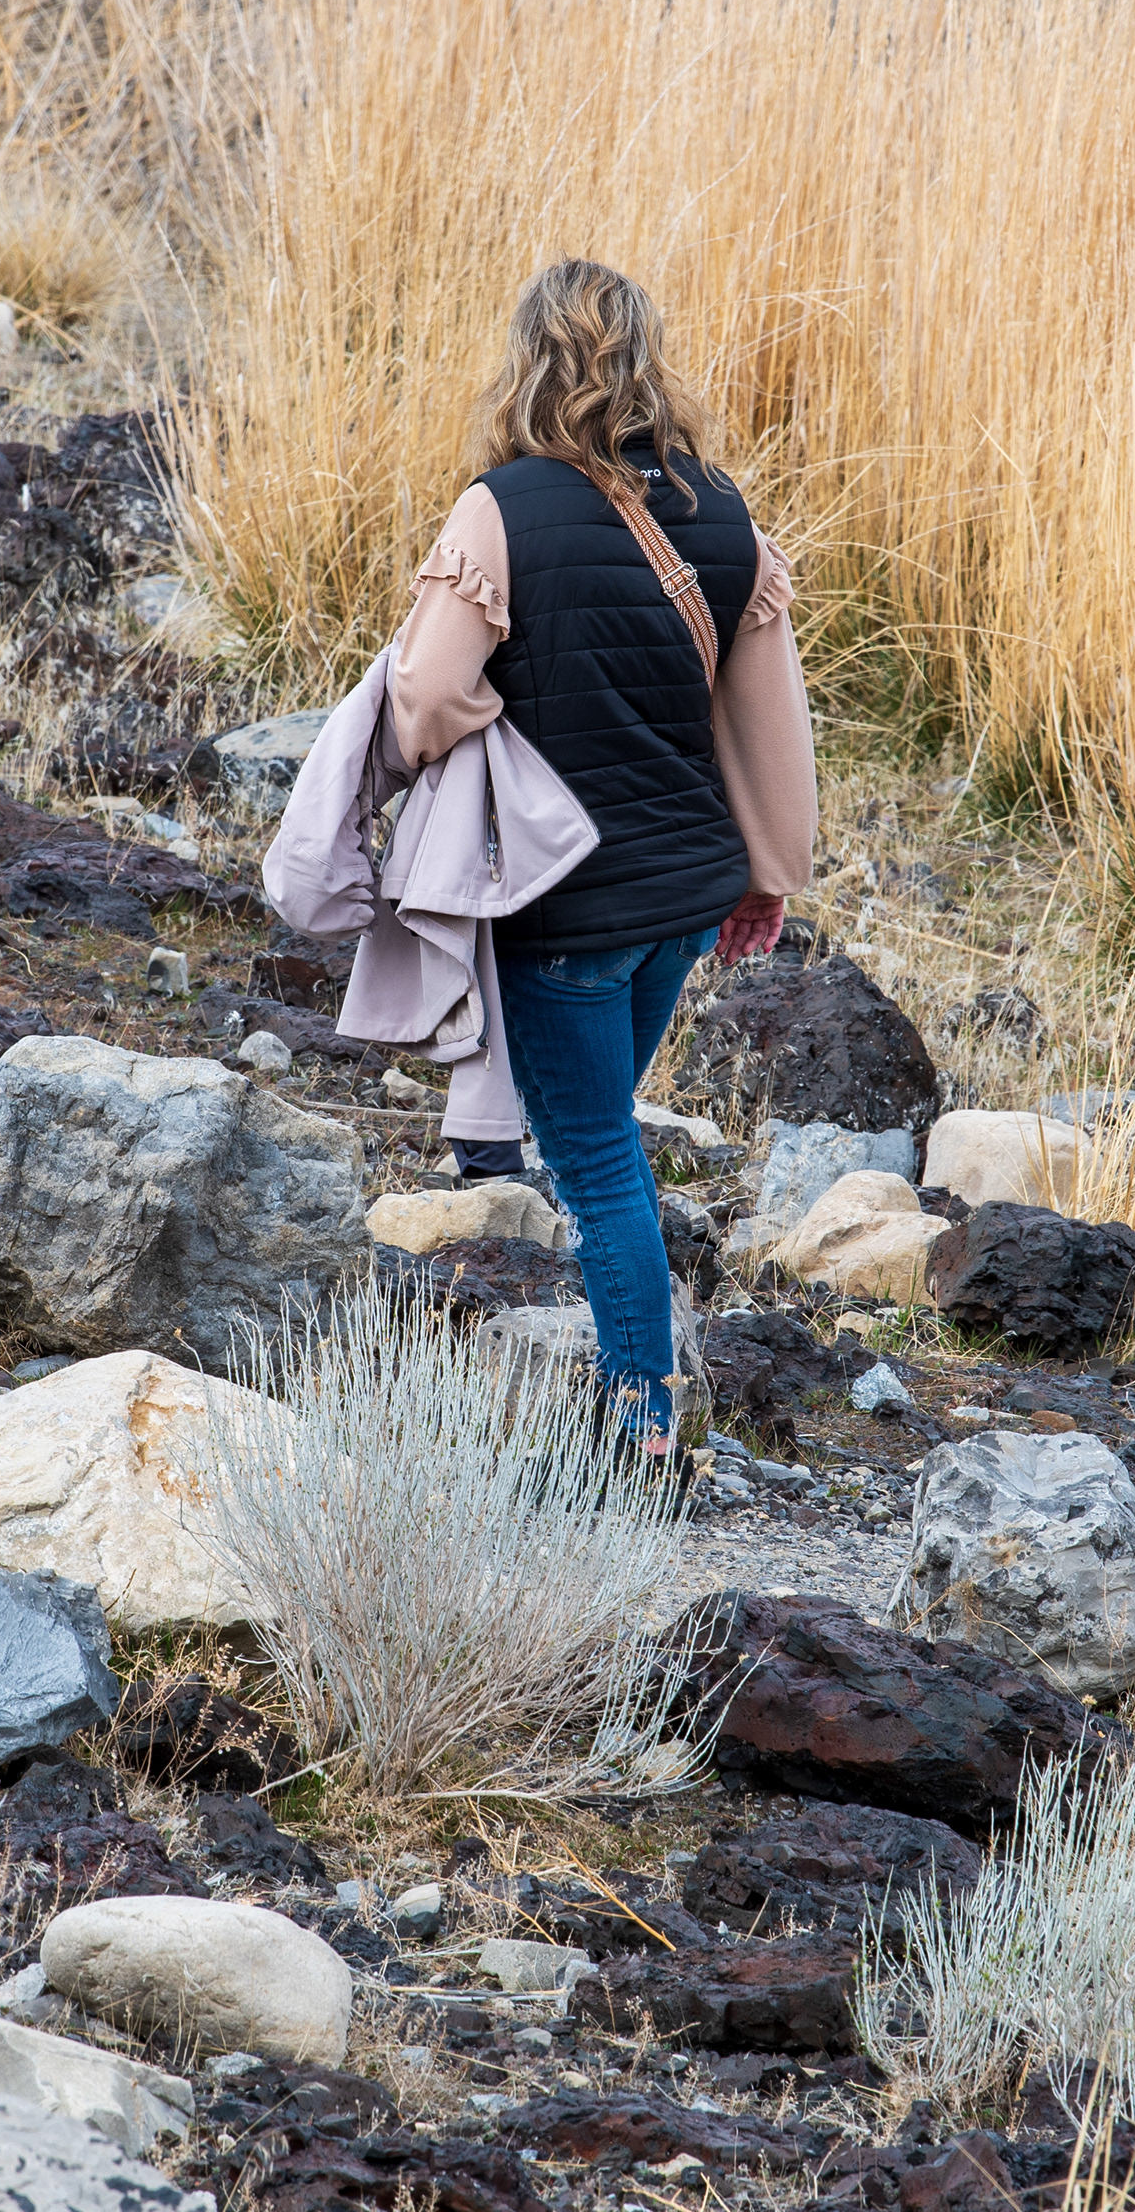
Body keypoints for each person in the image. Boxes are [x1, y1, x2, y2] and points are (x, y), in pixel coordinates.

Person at [384, 258, 818, 1454]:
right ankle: (638, 1383)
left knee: (596, 1164)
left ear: (529, 360)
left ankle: (641, 1422)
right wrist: (769, 868)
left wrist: (483, 731)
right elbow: (768, 719)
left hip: (564, 910)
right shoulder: (722, 512)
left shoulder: (503, 509)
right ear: (644, 358)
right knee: (603, 1133)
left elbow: (423, 692)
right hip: (683, 897)